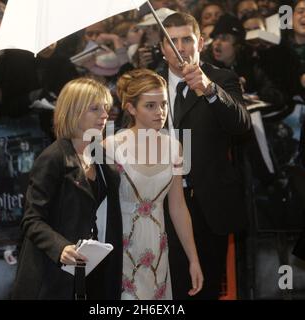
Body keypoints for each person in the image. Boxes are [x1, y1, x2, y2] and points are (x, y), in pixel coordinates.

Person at [159, 12, 251, 299]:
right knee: (170, 285)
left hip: (210, 204)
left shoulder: (222, 78)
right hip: (162, 201)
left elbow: (241, 127)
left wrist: (209, 89)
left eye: (187, 39)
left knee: (207, 289)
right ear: (162, 48)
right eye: (172, 41)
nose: (180, 47)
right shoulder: (150, 85)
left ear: (200, 42)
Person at [12, 78, 123, 300]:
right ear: (73, 111)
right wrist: (60, 247)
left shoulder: (100, 159)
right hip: (51, 275)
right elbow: (32, 219)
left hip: (89, 272)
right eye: (95, 109)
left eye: (105, 108)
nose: (104, 115)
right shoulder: (53, 157)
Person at [105, 69, 203, 300]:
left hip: (159, 253)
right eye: (150, 105)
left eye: (164, 104)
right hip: (121, 251)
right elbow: (100, 210)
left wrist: (194, 260)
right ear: (130, 108)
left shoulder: (175, 147)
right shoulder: (111, 147)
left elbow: (178, 207)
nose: (160, 112)